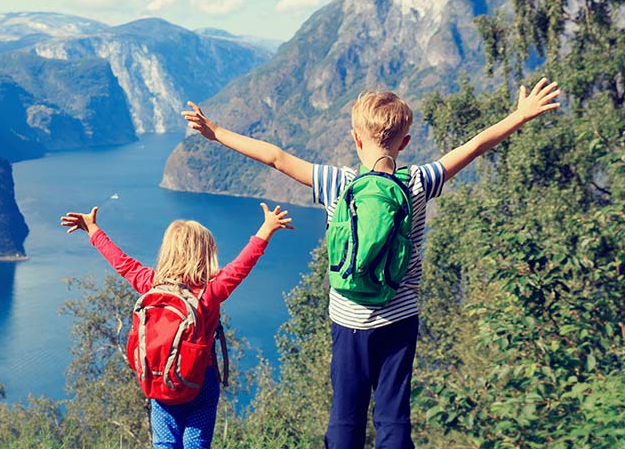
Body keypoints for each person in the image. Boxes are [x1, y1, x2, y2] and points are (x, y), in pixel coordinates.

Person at [181, 78, 560, 448]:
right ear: (405, 143)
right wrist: (520, 115)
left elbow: (275, 157)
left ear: (356, 138)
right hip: (400, 319)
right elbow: (475, 145)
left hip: (349, 322)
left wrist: (216, 131)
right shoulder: (418, 183)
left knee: (346, 415)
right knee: (393, 415)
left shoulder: (337, 183)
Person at [60, 202, 294, 449]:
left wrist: (94, 230)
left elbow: (122, 263)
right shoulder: (208, 293)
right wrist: (266, 229)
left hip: (160, 378)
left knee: (165, 443)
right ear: (206, 255)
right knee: (196, 444)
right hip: (201, 380)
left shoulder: (151, 285)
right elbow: (241, 266)